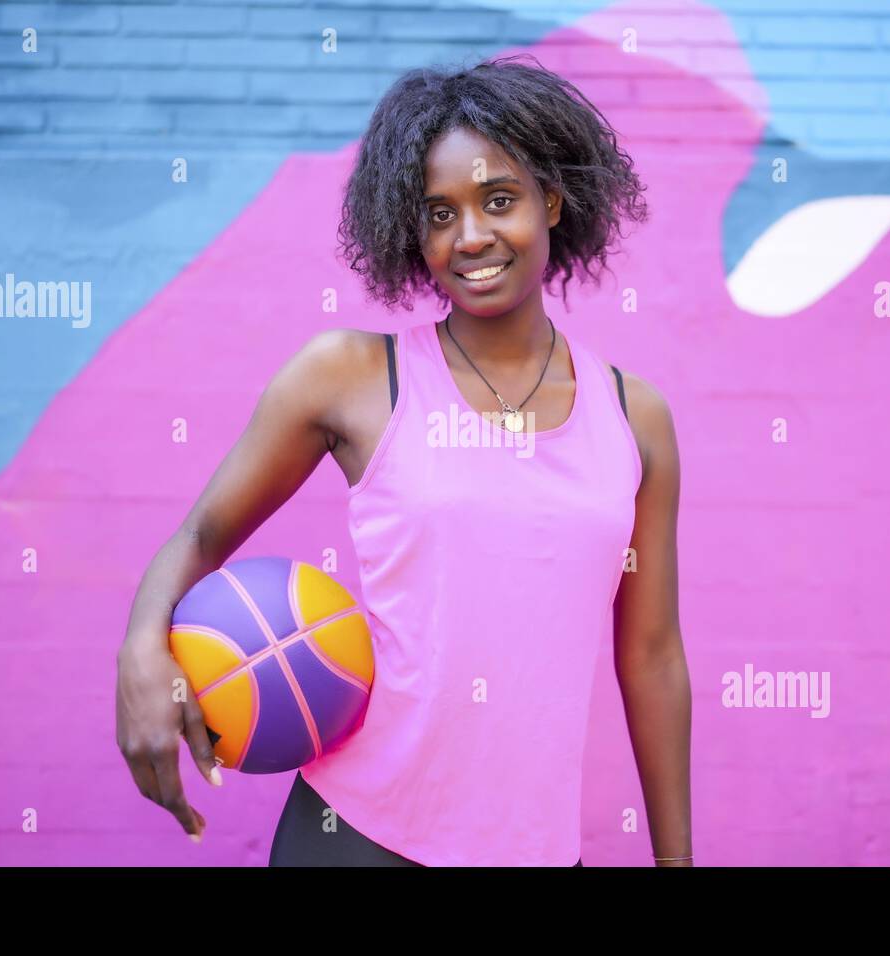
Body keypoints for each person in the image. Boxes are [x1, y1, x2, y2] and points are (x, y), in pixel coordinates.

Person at [116, 54, 691, 867]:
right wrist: (142, 653)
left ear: (553, 201)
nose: (472, 237)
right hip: (354, 837)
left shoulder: (638, 418)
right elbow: (201, 535)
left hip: (536, 850)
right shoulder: (351, 375)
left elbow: (653, 655)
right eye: (439, 213)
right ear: (409, 231)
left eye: (499, 200)